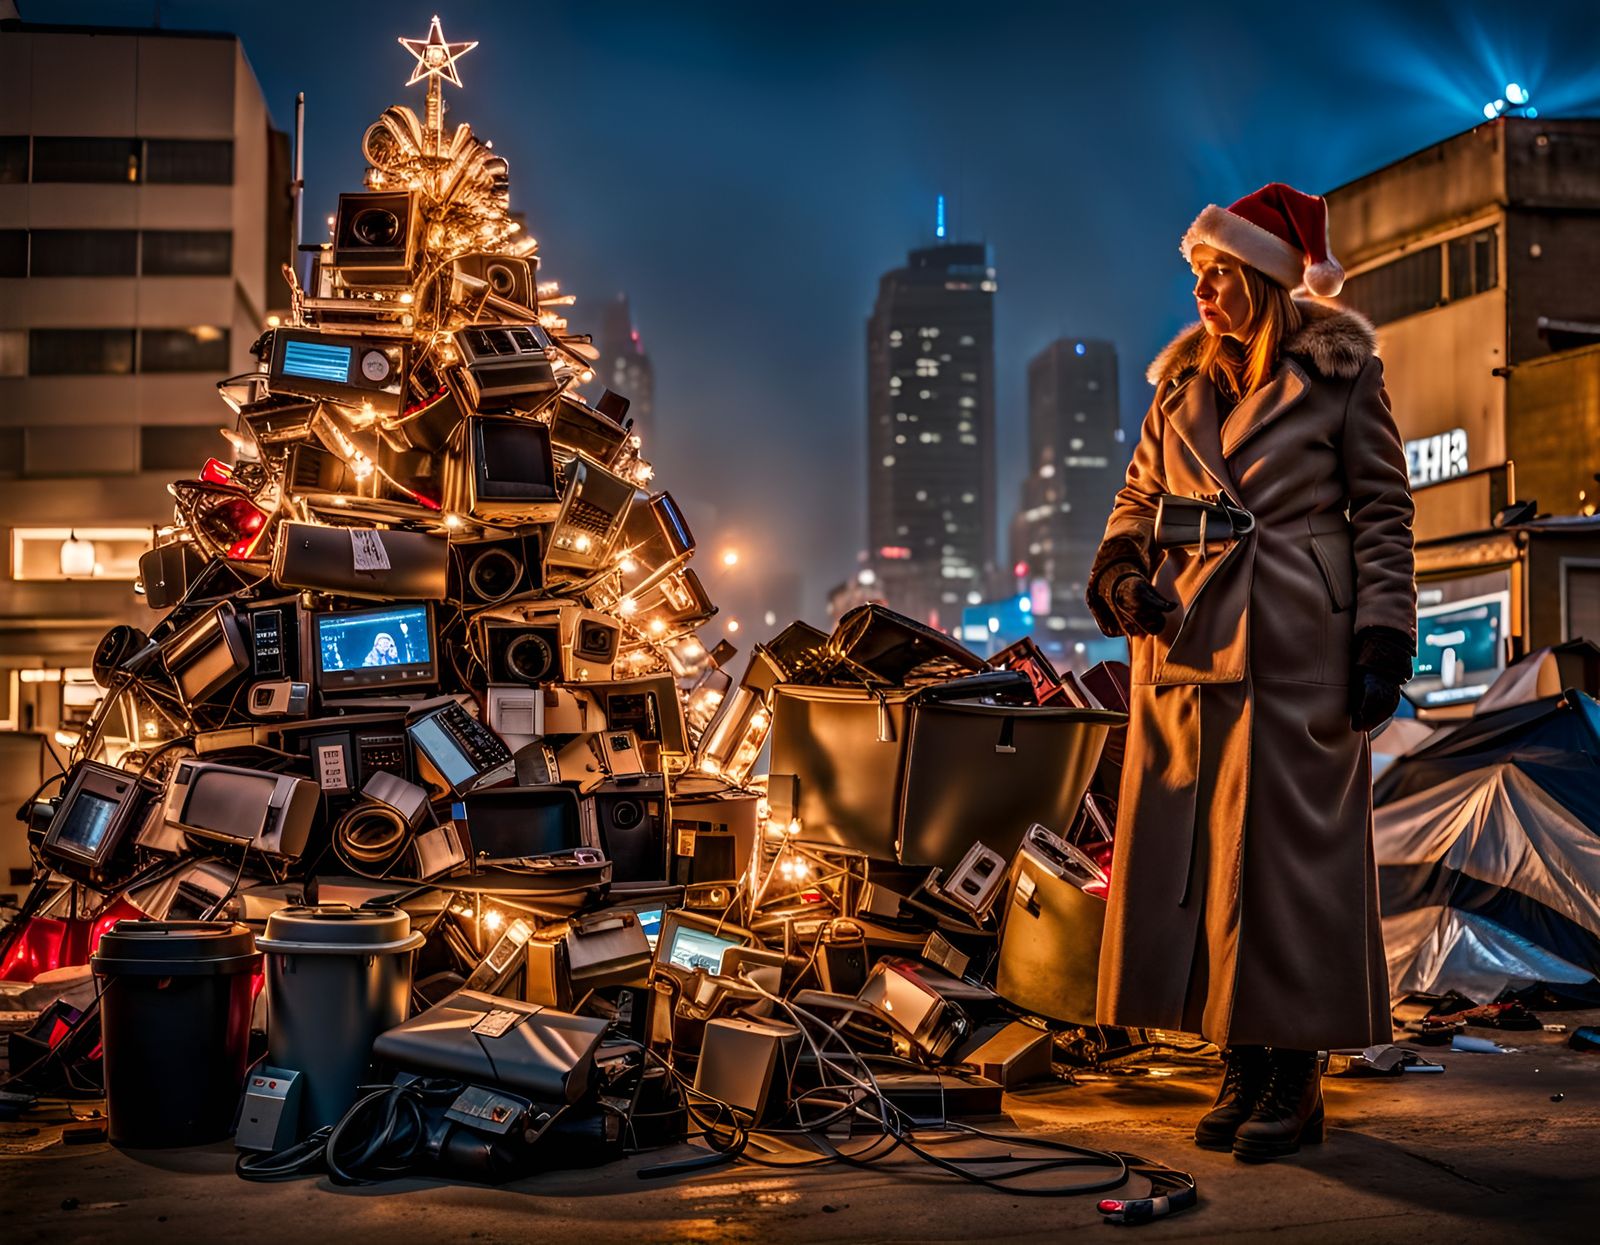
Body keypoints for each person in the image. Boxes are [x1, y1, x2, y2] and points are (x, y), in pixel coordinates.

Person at [1085, 184, 1416, 1161]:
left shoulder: (1343, 376)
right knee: (1197, 865)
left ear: (1265, 279)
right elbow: (1137, 500)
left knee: (1286, 867)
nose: (1200, 292)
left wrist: (1382, 639)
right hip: (1187, 649)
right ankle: (1237, 1057)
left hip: (1294, 647)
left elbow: (1385, 514)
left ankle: (1294, 1072)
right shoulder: (1177, 383)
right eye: (1195, 275)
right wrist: (1117, 574)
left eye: (1217, 275)